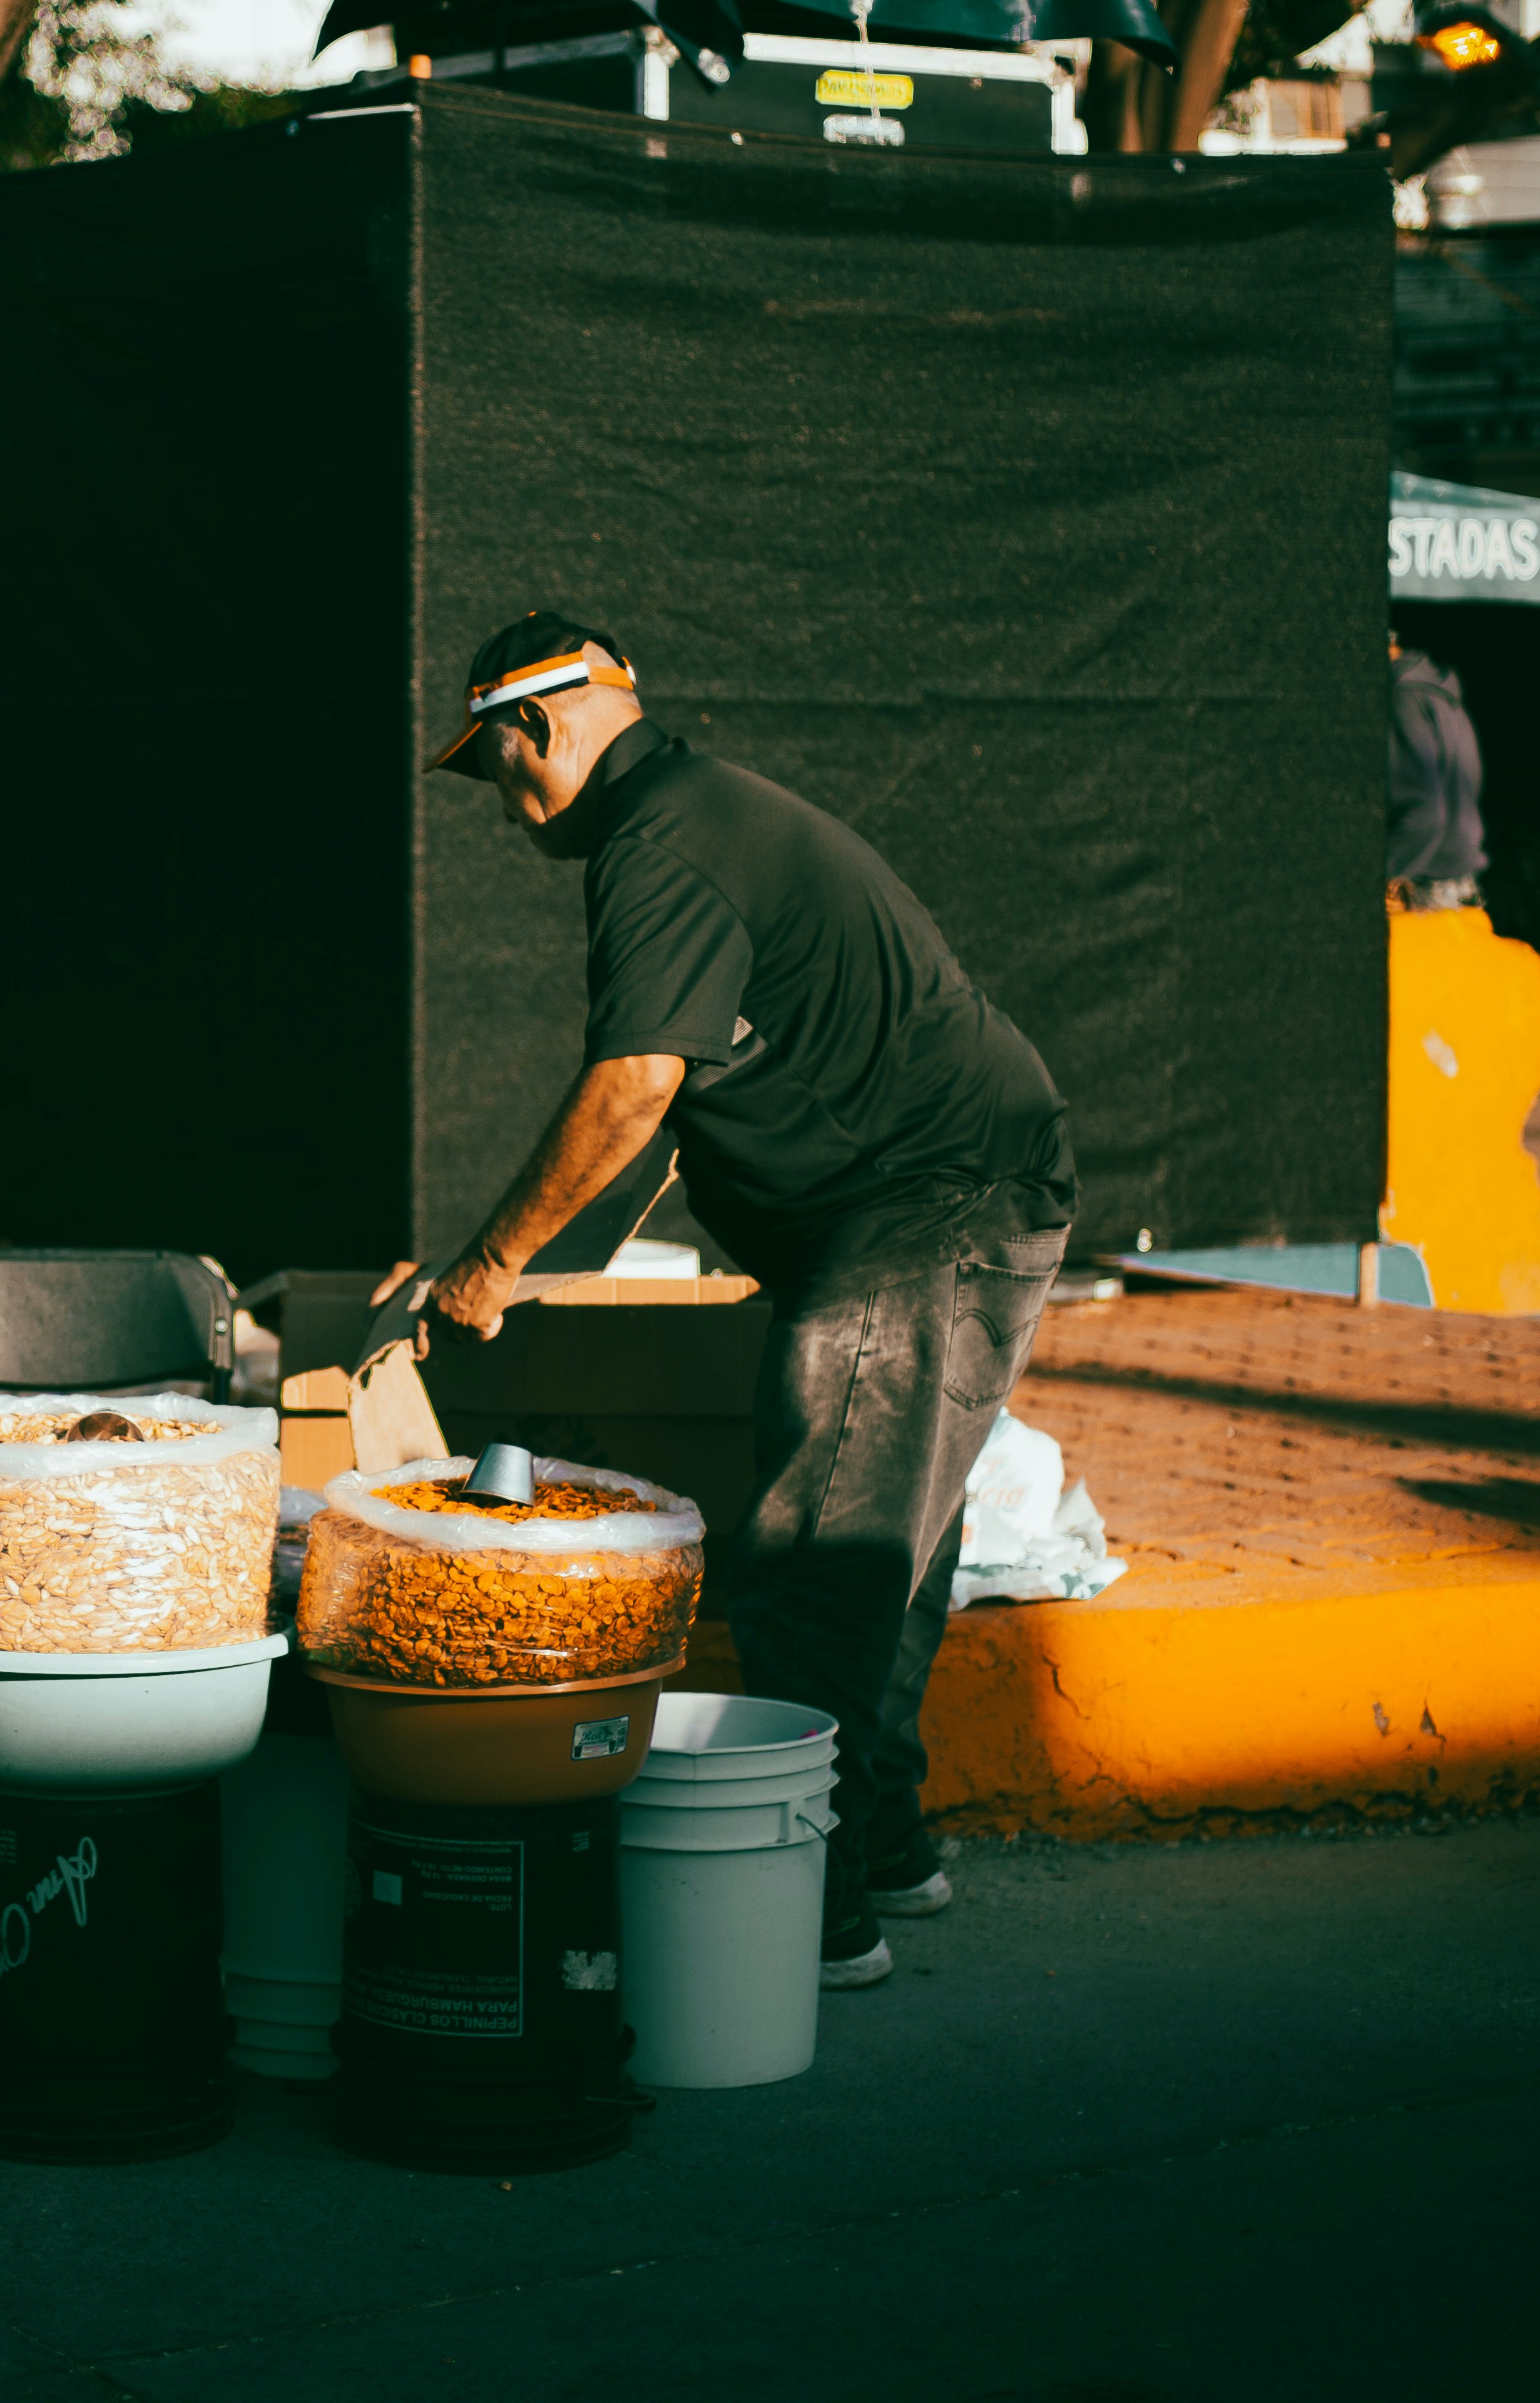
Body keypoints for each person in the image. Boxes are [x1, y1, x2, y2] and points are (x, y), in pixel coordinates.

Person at [413, 615, 1076, 1991]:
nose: (504, 805)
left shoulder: (655, 843)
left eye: (495, 772)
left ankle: (811, 1914)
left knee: (812, 1556)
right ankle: (887, 1848)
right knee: (885, 1558)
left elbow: (635, 1085)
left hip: (925, 1203)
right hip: (972, 1182)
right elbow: (680, 1100)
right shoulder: (701, 814)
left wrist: (486, 1267)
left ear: (536, 728)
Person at [1386, 632, 1486, 911]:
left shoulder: (1402, 698)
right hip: (1458, 876)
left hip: (1419, 884)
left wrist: (1385, 872)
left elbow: (1424, 810)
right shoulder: (1443, 697)